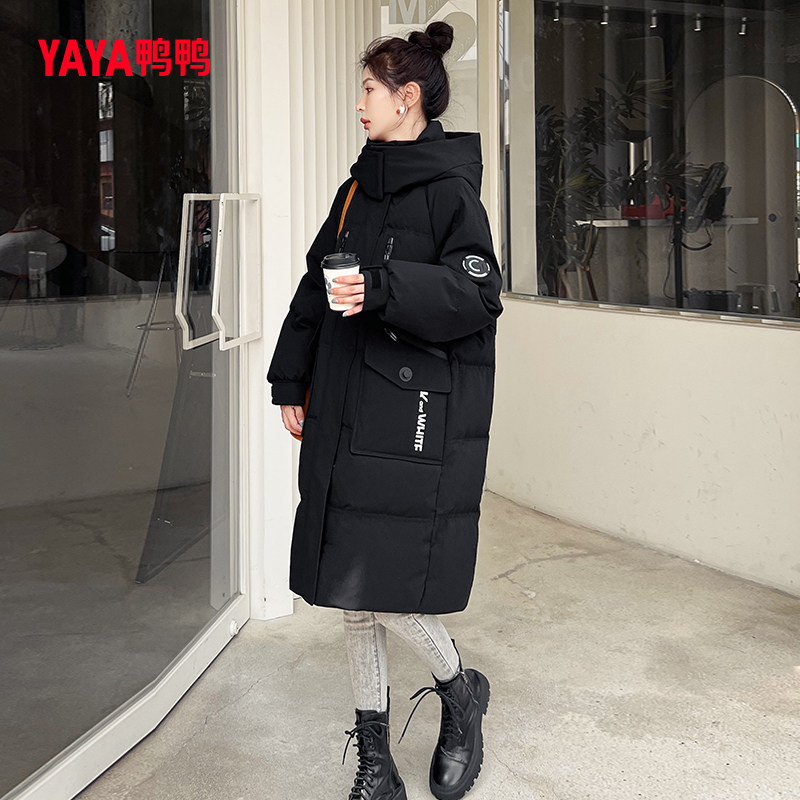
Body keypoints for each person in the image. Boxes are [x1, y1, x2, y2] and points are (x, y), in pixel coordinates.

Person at [267, 21, 503, 800]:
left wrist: (384, 287)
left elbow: (477, 292)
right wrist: (291, 380)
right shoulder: (354, 191)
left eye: (369, 89)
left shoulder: (449, 191)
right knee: (348, 587)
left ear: (408, 99)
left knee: (382, 587)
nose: (360, 103)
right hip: (342, 404)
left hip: (405, 421)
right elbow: (315, 286)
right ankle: (377, 764)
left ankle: (459, 691)